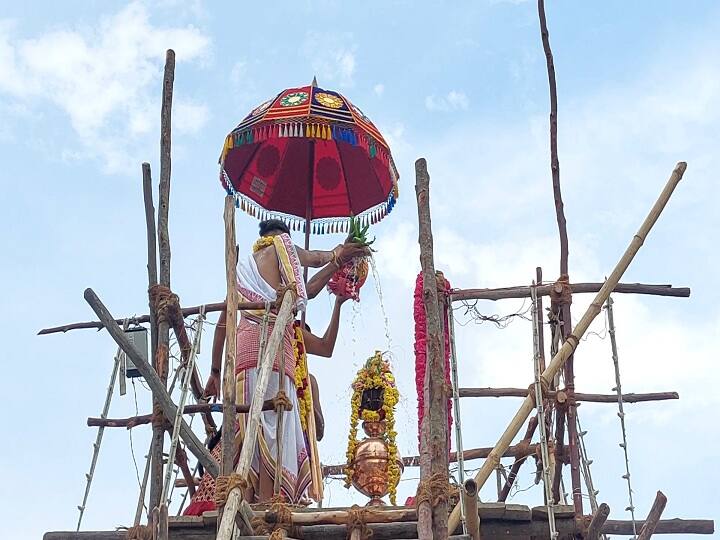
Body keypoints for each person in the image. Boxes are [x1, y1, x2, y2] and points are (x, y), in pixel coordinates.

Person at [196, 219, 365, 507]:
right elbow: (311, 274)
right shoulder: (281, 247)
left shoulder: (242, 271)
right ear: (283, 239)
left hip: (243, 358)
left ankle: (247, 503)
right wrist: (339, 255)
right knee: (272, 432)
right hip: (273, 354)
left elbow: (223, 324)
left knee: (251, 428)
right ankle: (266, 505)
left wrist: (214, 371)